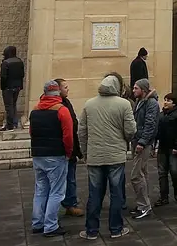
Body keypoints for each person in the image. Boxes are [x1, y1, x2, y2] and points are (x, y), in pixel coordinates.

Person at [78, 73, 137, 240]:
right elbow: (131, 130)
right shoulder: (124, 104)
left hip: (95, 156)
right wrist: (124, 140)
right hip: (115, 156)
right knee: (116, 193)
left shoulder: (89, 105)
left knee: (94, 194)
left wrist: (85, 152)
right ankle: (116, 229)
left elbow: (82, 132)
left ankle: (91, 231)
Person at [29, 80, 73, 237]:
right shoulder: (62, 110)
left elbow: (31, 132)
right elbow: (68, 136)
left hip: (38, 155)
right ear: (57, 93)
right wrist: (68, 152)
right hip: (56, 155)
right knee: (56, 192)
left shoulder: (34, 110)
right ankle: (51, 225)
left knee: (40, 190)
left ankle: (37, 223)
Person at [53, 79, 83, 217]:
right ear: (58, 89)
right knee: (66, 178)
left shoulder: (66, 102)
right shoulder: (58, 106)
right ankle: (69, 204)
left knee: (70, 177)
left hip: (69, 147)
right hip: (63, 148)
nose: (68, 89)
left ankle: (70, 203)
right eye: (65, 87)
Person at [130, 79, 159, 219]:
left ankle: (144, 206)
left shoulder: (151, 103)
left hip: (143, 143)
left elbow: (150, 124)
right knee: (142, 173)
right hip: (137, 141)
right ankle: (143, 204)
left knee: (136, 175)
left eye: (136, 88)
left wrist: (142, 142)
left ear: (143, 89)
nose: (133, 90)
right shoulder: (139, 102)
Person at [154, 93, 177, 207]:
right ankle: (164, 196)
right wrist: (154, 145)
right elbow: (157, 131)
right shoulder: (161, 115)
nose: (165, 102)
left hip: (173, 147)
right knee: (162, 173)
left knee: (174, 172)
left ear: (174, 103)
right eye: (165, 100)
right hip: (162, 147)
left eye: (169, 100)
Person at [0, 45, 25, 131]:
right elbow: (22, 75)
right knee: (13, 105)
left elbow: (3, 77)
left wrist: (3, 87)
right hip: (17, 86)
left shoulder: (6, 63)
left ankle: (9, 125)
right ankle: (14, 123)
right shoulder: (20, 61)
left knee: (9, 106)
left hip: (7, 87)